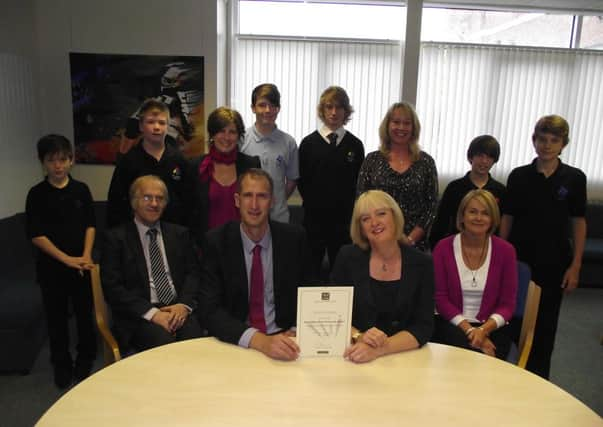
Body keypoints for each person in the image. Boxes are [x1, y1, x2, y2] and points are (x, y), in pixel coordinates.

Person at [500, 115, 587, 379]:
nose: (547, 145)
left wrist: (576, 265)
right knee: (513, 321)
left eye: (554, 140)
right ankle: (510, 375)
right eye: (542, 139)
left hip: (555, 263)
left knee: (545, 327)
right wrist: (501, 256)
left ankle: (538, 380)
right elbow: (507, 217)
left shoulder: (574, 178)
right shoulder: (519, 176)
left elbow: (578, 222)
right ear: (534, 141)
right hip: (520, 261)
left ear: (563, 144)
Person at [200, 169, 311, 361]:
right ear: (237, 200)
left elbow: (310, 289)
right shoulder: (217, 242)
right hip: (238, 341)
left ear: (272, 201)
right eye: (247, 196)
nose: (254, 205)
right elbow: (209, 310)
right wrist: (259, 341)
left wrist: (296, 329)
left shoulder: (294, 239)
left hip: (286, 339)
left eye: (262, 196)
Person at [25, 134, 97, 388]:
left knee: (84, 317)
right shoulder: (36, 194)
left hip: (82, 266)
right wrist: (66, 259)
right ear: (42, 162)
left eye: (63, 159)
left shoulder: (81, 190)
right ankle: (61, 364)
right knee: (56, 321)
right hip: (51, 269)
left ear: (71, 160)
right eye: (52, 160)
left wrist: (86, 255)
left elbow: (90, 225)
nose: (58, 165)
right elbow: (36, 235)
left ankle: (85, 359)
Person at [101, 175, 203, 352]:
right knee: (164, 346)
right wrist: (153, 314)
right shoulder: (116, 239)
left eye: (160, 198)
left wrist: (184, 305)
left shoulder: (180, 234)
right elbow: (113, 288)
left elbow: (194, 274)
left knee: (196, 342)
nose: (154, 204)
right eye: (147, 197)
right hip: (140, 315)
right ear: (134, 202)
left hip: (177, 308)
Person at [331, 190, 434, 363]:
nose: (374, 223)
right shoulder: (347, 257)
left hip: (405, 357)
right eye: (365, 219)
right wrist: (359, 336)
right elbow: (334, 312)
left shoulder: (421, 263)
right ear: (361, 229)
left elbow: (423, 326)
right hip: (354, 353)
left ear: (394, 216)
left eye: (381, 214)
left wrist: (380, 349)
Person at [432, 190, 517, 359]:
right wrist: (471, 331)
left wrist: (483, 331)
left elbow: (507, 304)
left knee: (491, 358)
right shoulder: (442, 248)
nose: (478, 218)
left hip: (493, 325)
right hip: (451, 323)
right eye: (472, 212)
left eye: (485, 213)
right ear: (462, 216)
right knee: (469, 354)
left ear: (493, 219)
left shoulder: (506, 251)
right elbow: (440, 299)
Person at [298, 86, 365, 281]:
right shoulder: (308, 144)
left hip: (344, 224)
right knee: (310, 273)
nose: (334, 112)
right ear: (322, 110)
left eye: (339, 107)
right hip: (314, 223)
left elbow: (358, 185)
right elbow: (303, 181)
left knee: (343, 275)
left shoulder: (355, 145)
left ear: (346, 111)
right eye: (329, 107)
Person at [356, 102, 438, 251]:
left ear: (413, 128)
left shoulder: (426, 162)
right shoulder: (372, 160)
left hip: (415, 245)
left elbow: (431, 206)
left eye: (407, 123)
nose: (401, 127)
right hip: (377, 240)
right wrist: (378, 235)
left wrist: (411, 239)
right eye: (396, 122)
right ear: (387, 126)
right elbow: (362, 201)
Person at [106, 98, 195, 228]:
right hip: (136, 233)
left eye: (162, 123)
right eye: (151, 122)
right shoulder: (129, 161)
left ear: (167, 126)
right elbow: (117, 203)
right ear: (141, 126)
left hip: (173, 233)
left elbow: (189, 202)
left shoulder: (179, 160)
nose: (157, 127)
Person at [190, 107, 260, 245]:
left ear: (239, 136)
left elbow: (258, 206)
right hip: (206, 247)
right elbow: (190, 214)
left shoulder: (251, 165)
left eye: (232, 132)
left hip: (244, 246)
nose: (227, 138)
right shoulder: (195, 167)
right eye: (221, 131)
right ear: (212, 134)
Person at [429, 135, 506, 249]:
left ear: (494, 160)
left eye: (489, 157)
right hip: (456, 247)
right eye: (480, 156)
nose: (484, 161)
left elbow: (500, 227)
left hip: (487, 249)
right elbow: (441, 223)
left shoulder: (501, 191)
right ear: (471, 157)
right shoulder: (454, 188)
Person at [239, 83, 299, 223]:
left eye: (273, 106)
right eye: (262, 105)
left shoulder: (289, 143)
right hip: (248, 218)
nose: (268, 110)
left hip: (279, 217)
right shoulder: (241, 140)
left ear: (278, 109)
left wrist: (275, 201)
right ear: (253, 108)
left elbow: (291, 181)